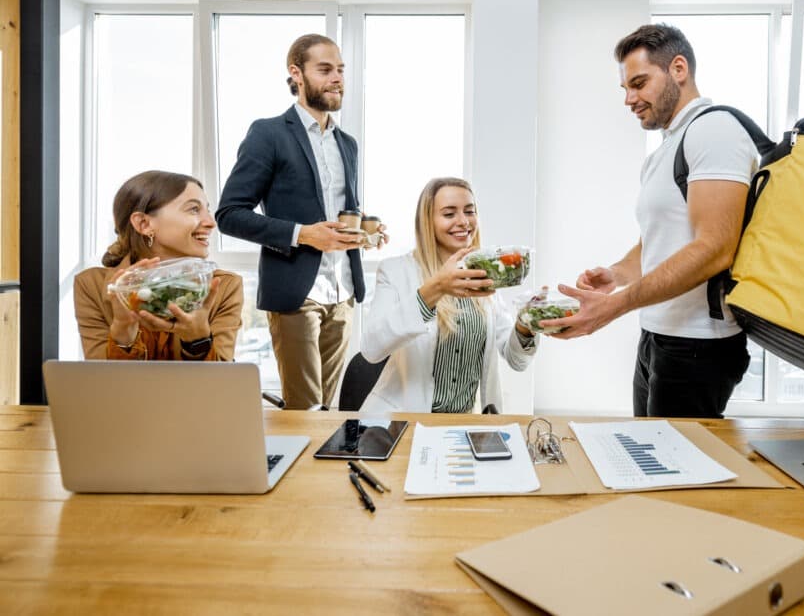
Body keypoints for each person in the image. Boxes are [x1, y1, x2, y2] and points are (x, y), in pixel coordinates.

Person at [549, 23, 758, 419]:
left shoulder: (714, 131)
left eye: (639, 83)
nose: (630, 99)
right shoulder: (666, 149)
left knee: (676, 477)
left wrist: (614, 306)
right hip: (660, 336)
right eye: (625, 88)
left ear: (678, 69)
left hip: (698, 344)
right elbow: (661, 239)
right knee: (651, 465)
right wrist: (617, 274)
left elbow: (715, 248)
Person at [216, 34, 384, 410]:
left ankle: (324, 471)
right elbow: (229, 214)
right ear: (297, 74)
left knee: (328, 410)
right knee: (304, 411)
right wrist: (302, 234)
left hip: (343, 292)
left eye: (340, 69)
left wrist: (368, 231)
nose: (336, 78)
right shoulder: (269, 133)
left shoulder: (348, 144)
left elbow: (344, 209)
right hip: (296, 294)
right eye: (325, 70)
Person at [360, 177, 537, 413]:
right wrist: (435, 289)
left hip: (465, 427)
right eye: (449, 214)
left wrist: (527, 323)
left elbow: (517, 360)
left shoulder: (485, 274)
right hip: (402, 424)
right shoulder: (395, 271)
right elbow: (372, 348)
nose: (463, 222)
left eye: (469, 211)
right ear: (428, 221)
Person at [74, 170, 243, 361]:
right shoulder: (92, 285)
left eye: (207, 210)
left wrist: (197, 340)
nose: (211, 223)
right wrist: (122, 330)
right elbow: (101, 385)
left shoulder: (224, 286)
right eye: (194, 209)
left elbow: (220, 386)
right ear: (144, 224)